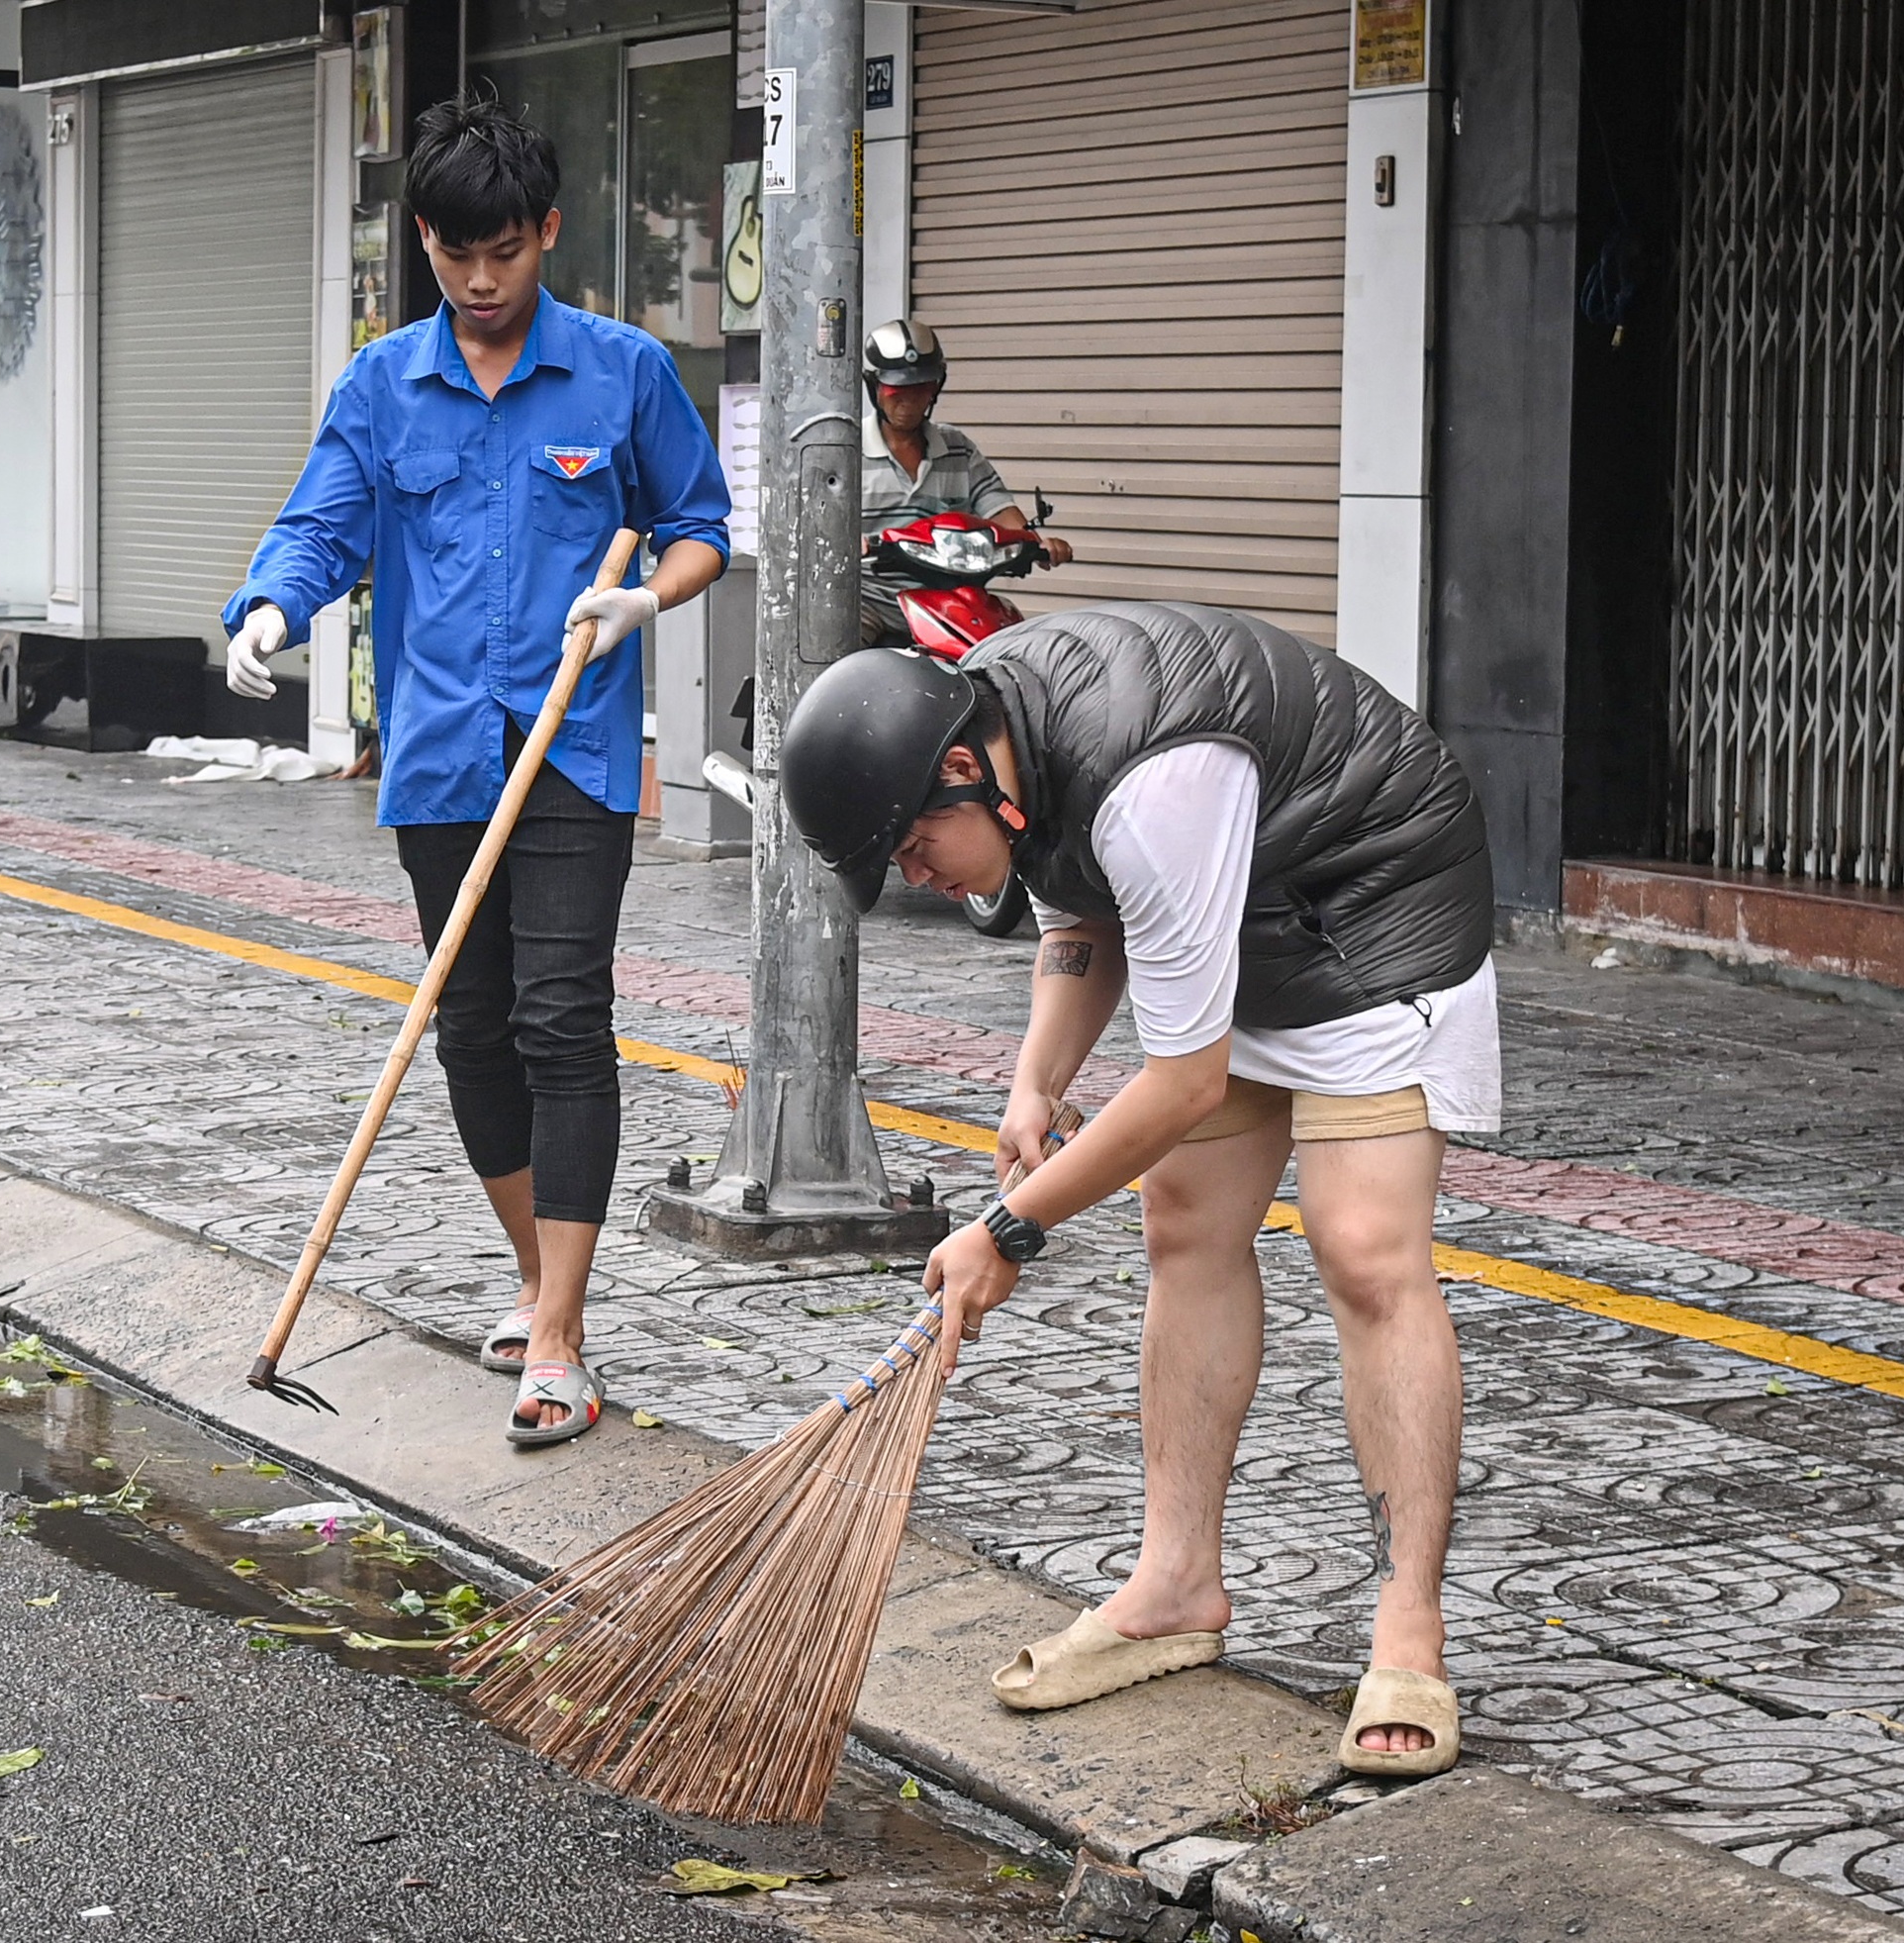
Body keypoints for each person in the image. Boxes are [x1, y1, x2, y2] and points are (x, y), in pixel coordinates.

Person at [777, 606, 1497, 1779]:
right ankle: (1174, 1585)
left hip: (1376, 906)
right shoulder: (1003, 732)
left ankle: (1409, 1621)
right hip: (1242, 912)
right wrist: (1034, 1081)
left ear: (960, 772)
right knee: (1185, 1221)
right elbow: (1079, 902)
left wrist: (1009, 1226)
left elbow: (1179, 1080)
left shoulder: (1156, 782)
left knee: (1362, 1247)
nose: (912, 876)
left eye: (909, 849)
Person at [220, 96, 729, 1446]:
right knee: (470, 1021)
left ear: (547, 232)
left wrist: (645, 604)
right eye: (456, 255)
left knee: (565, 1014)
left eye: (505, 250)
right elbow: (321, 525)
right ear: (428, 248)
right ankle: (535, 1265)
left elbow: (701, 526)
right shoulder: (383, 385)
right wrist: (270, 609)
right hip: (442, 746)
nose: (483, 280)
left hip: (573, 743)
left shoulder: (621, 373)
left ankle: (559, 1331)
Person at [857, 320, 1070, 645]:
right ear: (875, 387)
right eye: (896, 388)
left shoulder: (958, 447)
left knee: (1020, 653)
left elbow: (997, 507)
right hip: (873, 602)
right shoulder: (846, 451)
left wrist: (1035, 543)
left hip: (950, 605)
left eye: (921, 386)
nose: (909, 399)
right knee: (837, 661)